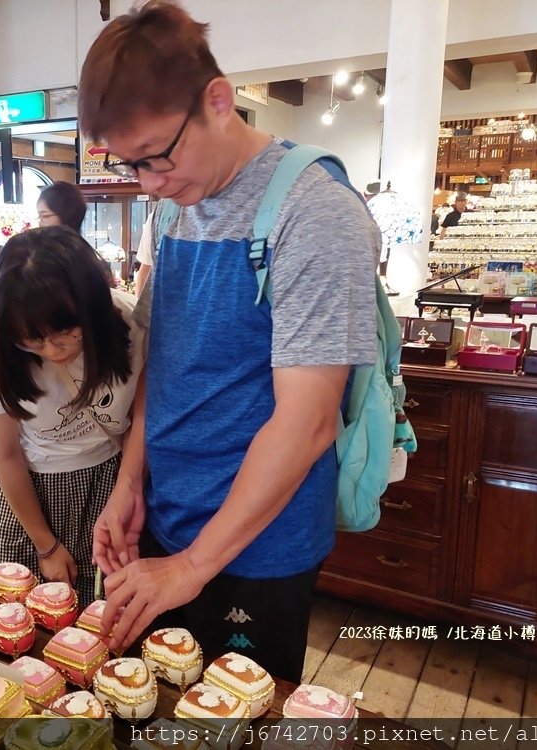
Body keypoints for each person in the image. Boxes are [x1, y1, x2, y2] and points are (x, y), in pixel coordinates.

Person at [78, 0, 379, 682]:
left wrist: (190, 567)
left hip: (257, 547)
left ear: (218, 100)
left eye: (158, 157)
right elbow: (165, 359)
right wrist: (130, 483)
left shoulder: (316, 210)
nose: (151, 183)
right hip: (167, 517)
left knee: (236, 715)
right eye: (132, 167)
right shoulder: (182, 204)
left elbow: (306, 424)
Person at [0, 226, 144, 606]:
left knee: (101, 610)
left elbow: (143, 418)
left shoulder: (130, 322)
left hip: (109, 481)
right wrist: (45, 546)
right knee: (17, 612)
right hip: (27, 491)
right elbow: (5, 455)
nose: (52, 350)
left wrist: (129, 486)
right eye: (32, 339)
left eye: (65, 332)